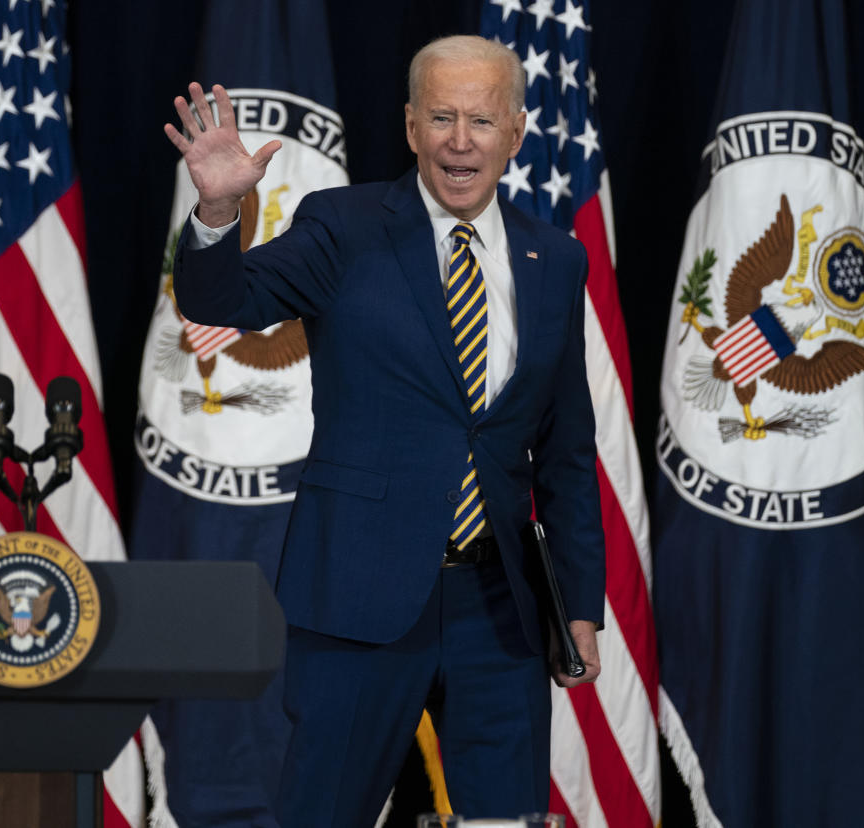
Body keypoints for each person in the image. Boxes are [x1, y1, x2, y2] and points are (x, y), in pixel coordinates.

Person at [164, 35, 605, 825]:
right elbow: (222, 302)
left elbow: (567, 452)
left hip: (501, 607)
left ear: (516, 131)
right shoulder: (344, 225)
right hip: (358, 596)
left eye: (480, 119)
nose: (459, 141)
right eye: (441, 117)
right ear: (410, 128)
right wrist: (219, 209)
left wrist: (578, 607)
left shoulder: (556, 258)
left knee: (504, 819)